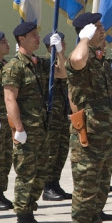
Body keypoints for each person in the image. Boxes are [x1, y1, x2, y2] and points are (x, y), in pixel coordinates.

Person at [66, 12, 112, 223]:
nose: (103, 31)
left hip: (103, 134)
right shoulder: (79, 56)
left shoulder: (100, 58)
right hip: (87, 136)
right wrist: (83, 40)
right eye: (98, 28)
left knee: (100, 190)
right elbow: (77, 58)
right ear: (86, 32)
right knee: (85, 191)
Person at [3, 22, 66, 223]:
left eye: (38, 35)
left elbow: (62, 74)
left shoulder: (39, 62)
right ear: (21, 39)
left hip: (42, 129)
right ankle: (23, 219)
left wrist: (59, 53)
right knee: (26, 175)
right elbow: (10, 98)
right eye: (33, 35)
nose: (38, 38)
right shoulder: (15, 66)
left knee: (39, 174)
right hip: (26, 130)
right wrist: (18, 128)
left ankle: (31, 213)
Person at [41, 32, 73, 202]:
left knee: (62, 151)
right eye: (61, 43)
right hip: (51, 116)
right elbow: (62, 73)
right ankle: (47, 186)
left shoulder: (61, 59)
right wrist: (59, 52)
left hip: (61, 114)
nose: (65, 44)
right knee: (52, 152)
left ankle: (55, 183)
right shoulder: (47, 62)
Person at [0, 30, 13, 211]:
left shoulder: (4, 65)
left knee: (5, 158)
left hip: (6, 120)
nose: (7, 44)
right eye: (3, 42)